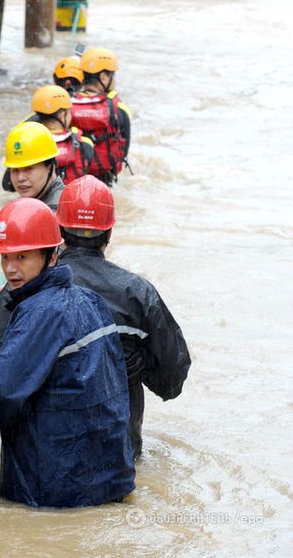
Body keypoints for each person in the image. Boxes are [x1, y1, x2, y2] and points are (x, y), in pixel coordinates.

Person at [0, 199, 135, 508]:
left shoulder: (41, 312)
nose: (10, 268)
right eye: (5, 256)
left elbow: (2, 388)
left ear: (52, 256)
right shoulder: (91, 301)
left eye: (21, 257)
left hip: (56, 491)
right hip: (110, 478)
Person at [56, 175, 191, 458]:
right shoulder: (137, 293)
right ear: (109, 233)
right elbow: (172, 377)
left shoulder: (30, 289)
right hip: (118, 456)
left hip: (45, 460)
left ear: (59, 228)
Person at [69, 47, 132, 186]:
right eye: (112, 75)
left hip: (72, 181)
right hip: (103, 182)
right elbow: (123, 150)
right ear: (103, 76)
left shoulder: (65, 104)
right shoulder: (118, 108)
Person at [30, 85, 95, 184]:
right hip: (71, 197)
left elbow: (7, 184)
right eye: (69, 112)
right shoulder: (85, 144)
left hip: (38, 199)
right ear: (62, 115)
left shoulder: (29, 143)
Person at [1, 121, 64, 210]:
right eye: (15, 170)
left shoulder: (57, 212)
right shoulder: (38, 202)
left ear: (50, 167)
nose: (20, 178)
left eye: (29, 169)